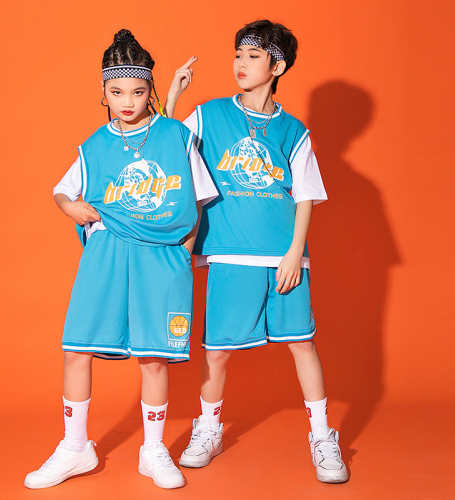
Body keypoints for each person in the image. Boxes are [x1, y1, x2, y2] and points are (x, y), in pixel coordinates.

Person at [24, 29, 217, 490]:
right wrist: (71, 207)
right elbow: (62, 190)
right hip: (107, 252)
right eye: (116, 92)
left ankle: (153, 450)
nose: (127, 102)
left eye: (137, 92)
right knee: (77, 348)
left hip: (161, 258)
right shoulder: (94, 144)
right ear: (103, 91)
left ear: (150, 90)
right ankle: (75, 447)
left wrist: (184, 252)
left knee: (154, 355)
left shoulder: (175, 135)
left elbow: (199, 198)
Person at [165, 19, 348, 484]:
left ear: (277, 66)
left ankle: (323, 437)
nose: (240, 64)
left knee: (303, 343)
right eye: (237, 55)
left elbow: (304, 195)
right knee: (217, 352)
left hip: (284, 255)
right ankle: (209, 429)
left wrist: (294, 252)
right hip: (230, 253)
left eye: (252, 56)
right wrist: (172, 100)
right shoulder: (209, 115)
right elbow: (168, 151)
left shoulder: (293, 130)